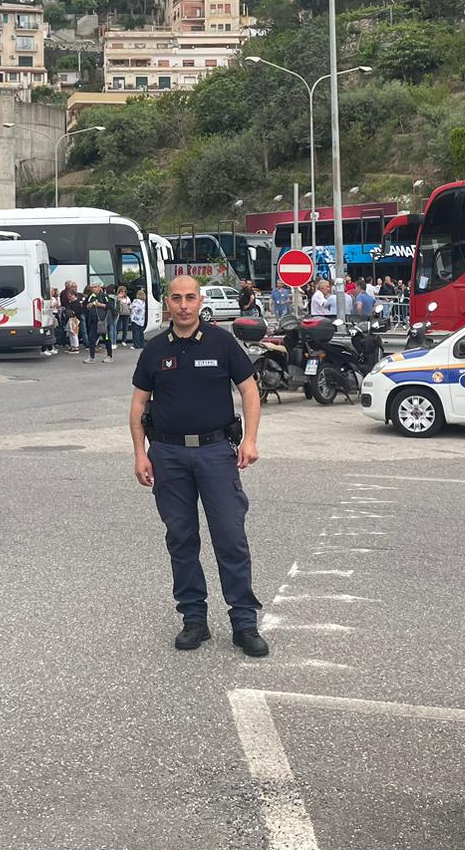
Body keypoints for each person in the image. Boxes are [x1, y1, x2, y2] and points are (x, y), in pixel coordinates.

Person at [130, 275, 268, 657]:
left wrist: (251, 439)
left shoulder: (222, 343)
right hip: (168, 456)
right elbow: (139, 404)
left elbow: (250, 390)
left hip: (215, 453)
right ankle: (194, 619)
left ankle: (244, 622)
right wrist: (140, 453)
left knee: (230, 537)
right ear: (168, 303)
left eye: (190, 297)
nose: (184, 305)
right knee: (181, 538)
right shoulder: (155, 349)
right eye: (177, 298)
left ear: (200, 300)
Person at [82, 281, 114, 363]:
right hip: (94, 322)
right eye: (92, 287)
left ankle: (109, 356)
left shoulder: (104, 296)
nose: (94, 289)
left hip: (103, 322)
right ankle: (91, 357)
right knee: (92, 339)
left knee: (106, 339)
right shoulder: (91, 296)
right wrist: (88, 306)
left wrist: (100, 305)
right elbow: (85, 305)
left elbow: (110, 306)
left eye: (95, 287)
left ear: (99, 287)